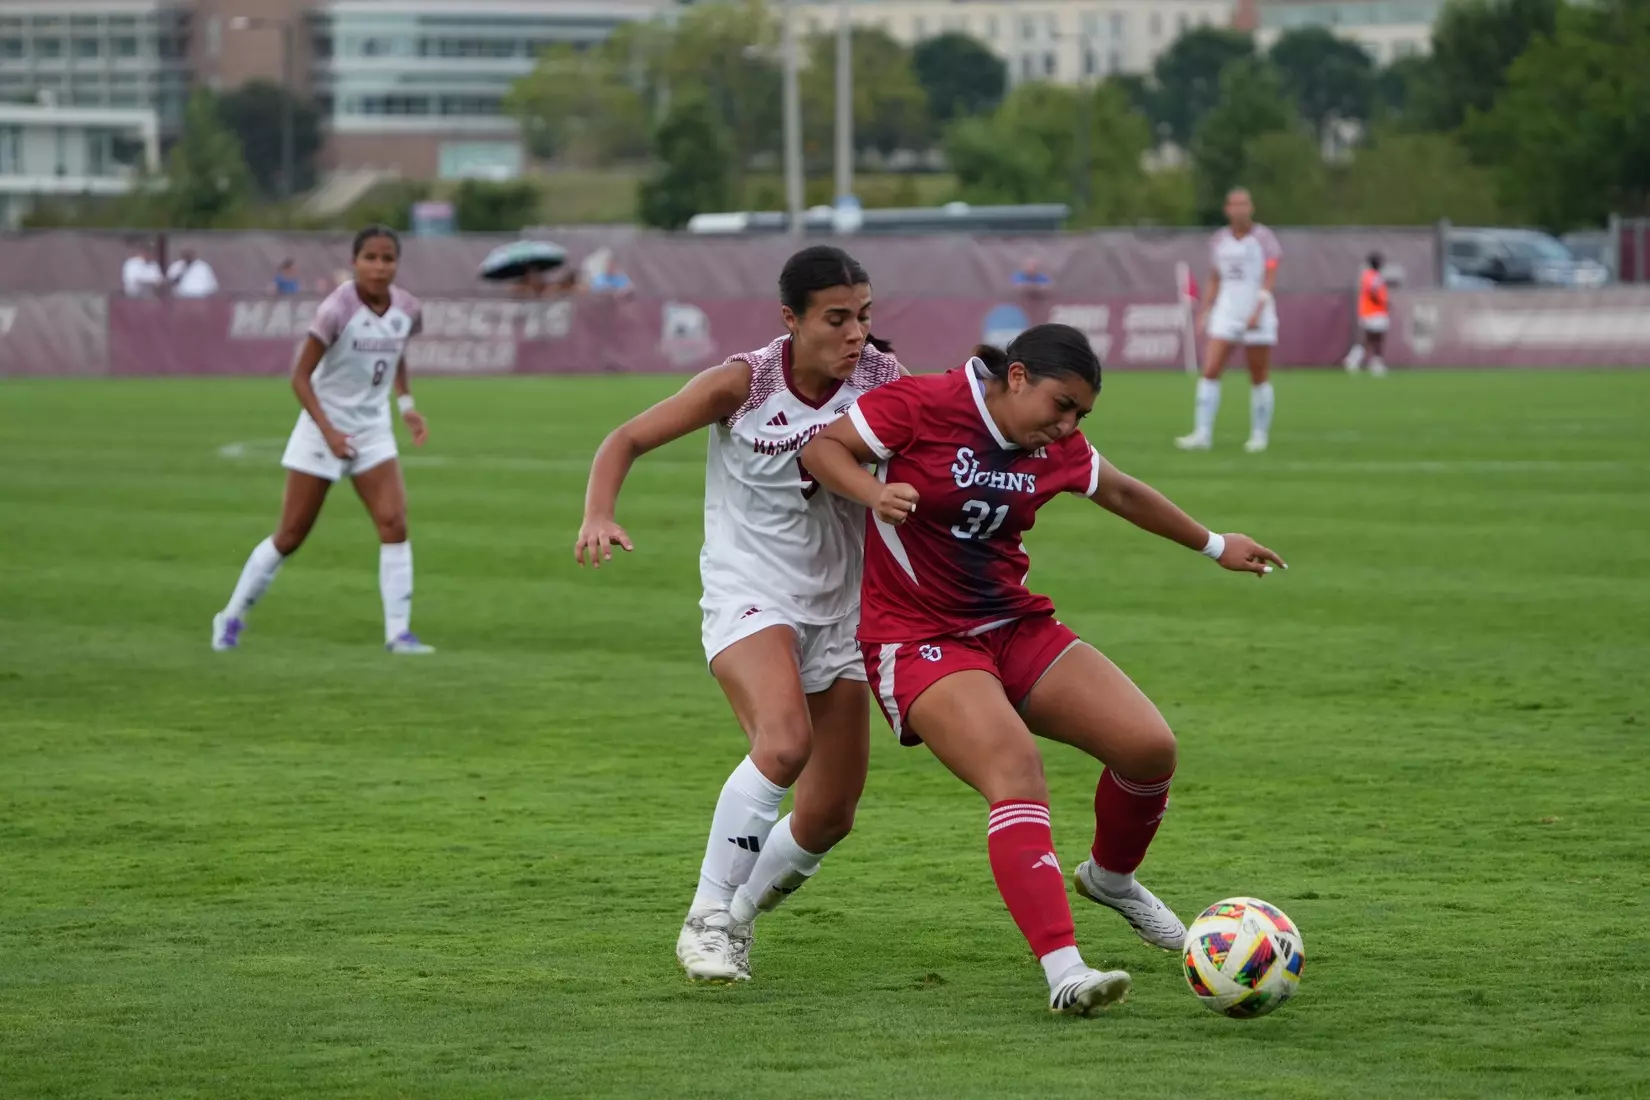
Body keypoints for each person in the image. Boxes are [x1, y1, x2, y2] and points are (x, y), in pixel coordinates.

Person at [800, 323, 1285, 1017]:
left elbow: (1119, 492)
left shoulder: (1056, 444)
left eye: (1081, 416)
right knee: (1016, 771)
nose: (1067, 427)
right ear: (1017, 377)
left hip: (1015, 627)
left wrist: (1214, 545)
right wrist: (870, 493)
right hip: (918, 637)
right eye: (1062, 406)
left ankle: (1112, 879)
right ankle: (1064, 971)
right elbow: (822, 448)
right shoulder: (925, 404)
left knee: (1148, 748)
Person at [575, 245, 905, 983]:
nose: (855, 334)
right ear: (791, 320)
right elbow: (626, 438)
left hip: (845, 612)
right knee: (783, 743)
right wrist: (599, 511)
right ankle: (705, 915)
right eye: (837, 319)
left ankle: (735, 917)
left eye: (865, 317)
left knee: (829, 817)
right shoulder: (743, 382)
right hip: (748, 593)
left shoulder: (887, 382)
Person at [211, 225, 434, 655]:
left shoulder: (408, 307)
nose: (379, 266)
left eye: (388, 258)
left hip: (372, 430)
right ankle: (231, 616)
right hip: (322, 429)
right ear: (355, 262)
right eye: (370, 257)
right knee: (291, 535)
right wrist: (329, 432)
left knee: (394, 523)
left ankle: (398, 634)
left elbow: (396, 352)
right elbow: (299, 377)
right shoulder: (336, 309)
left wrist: (406, 406)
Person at [1177, 188, 1281, 453]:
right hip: (1227, 311)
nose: (1240, 209)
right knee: (1210, 369)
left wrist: (1260, 307)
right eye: (1235, 204)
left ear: (1251, 208)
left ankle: (1259, 434)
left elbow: (1270, 274)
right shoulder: (1219, 240)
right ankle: (1202, 433)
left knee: (1258, 374)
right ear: (1227, 209)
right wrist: (1206, 309)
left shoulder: (1264, 238)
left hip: (1256, 313)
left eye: (1244, 204)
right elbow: (1215, 276)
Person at [1343, 252, 1390, 377]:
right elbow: (1373, 292)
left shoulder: (1372, 275)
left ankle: (1357, 360)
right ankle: (1374, 363)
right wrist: (1383, 301)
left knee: (1370, 339)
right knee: (1375, 339)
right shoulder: (1371, 275)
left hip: (1373, 311)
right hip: (1374, 312)